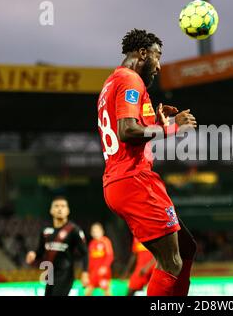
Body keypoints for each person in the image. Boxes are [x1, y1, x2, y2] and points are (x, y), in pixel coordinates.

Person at [97, 29, 197, 296]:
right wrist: (172, 129)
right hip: (133, 179)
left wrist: (155, 122)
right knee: (171, 262)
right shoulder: (131, 81)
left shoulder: (112, 82)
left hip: (120, 180)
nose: (159, 65)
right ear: (143, 53)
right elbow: (127, 131)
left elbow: (129, 130)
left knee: (187, 249)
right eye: (158, 56)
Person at [26, 196, 89, 296]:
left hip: (65, 274)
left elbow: (85, 253)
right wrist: (33, 254)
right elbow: (40, 252)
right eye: (56, 206)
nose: (60, 209)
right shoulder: (46, 231)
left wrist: (85, 272)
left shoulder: (74, 230)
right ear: (51, 210)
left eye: (63, 206)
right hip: (50, 274)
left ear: (68, 211)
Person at [85, 222, 114, 296]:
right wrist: (88, 272)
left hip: (103, 273)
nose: (95, 233)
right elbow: (90, 259)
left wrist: (105, 267)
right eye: (93, 231)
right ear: (91, 233)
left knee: (107, 292)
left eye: (97, 231)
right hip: (93, 273)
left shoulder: (105, 241)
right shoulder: (91, 243)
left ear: (102, 231)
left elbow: (110, 255)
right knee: (88, 292)